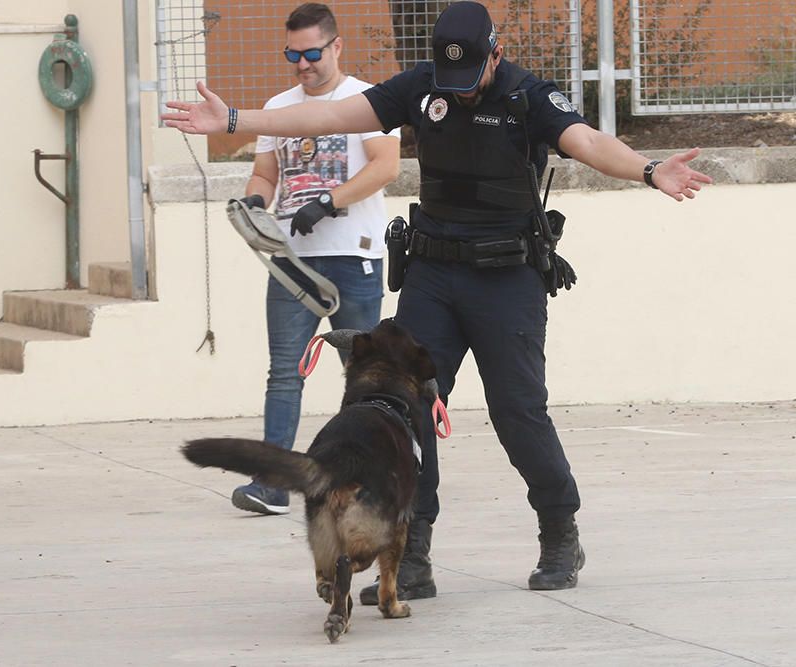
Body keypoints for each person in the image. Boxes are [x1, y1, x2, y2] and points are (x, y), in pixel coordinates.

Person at [162, 0, 712, 599]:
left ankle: (559, 532)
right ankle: (413, 556)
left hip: (507, 280)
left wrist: (649, 168)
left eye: (471, 75)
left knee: (518, 412)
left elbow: (585, 141)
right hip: (433, 274)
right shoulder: (423, 87)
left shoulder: (527, 96)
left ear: (494, 54)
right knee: (401, 407)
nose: (461, 89)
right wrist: (238, 119)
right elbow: (332, 116)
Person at [228, 3, 401, 516]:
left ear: (336, 46)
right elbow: (265, 175)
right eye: (293, 54)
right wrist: (255, 203)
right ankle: (274, 484)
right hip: (292, 262)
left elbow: (386, 166)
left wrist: (330, 201)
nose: (303, 65)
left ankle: (375, 478)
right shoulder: (279, 106)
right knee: (285, 372)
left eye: (311, 53)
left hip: (355, 255)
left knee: (366, 375)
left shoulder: (368, 100)